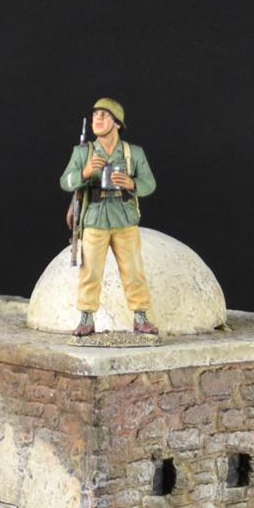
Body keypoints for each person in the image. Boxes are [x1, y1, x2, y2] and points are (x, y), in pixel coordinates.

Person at [58, 98, 158, 337]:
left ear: (117, 123)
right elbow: (65, 181)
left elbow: (149, 183)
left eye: (104, 115)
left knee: (133, 271)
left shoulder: (133, 153)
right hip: (95, 218)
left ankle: (140, 317)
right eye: (95, 115)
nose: (98, 119)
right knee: (90, 272)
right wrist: (85, 172)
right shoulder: (83, 152)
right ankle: (86, 318)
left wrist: (131, 183)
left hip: (124, 217)